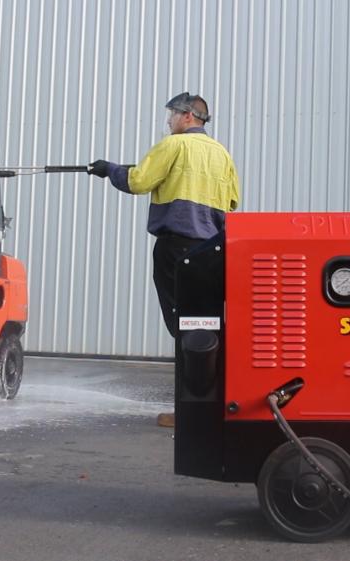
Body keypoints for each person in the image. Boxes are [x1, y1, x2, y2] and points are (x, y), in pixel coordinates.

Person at [88, 92, 240, 427]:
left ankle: (191, 411)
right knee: (209, 325)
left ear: (187, 116)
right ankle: (220, 405)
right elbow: (232, 202)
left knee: (186, 327)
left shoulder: (174, 145)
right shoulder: (222, 154)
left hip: (177, 249)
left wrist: (108, 169)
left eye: (171, 115)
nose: (169, 121)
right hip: (213, 251)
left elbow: (139, 180)